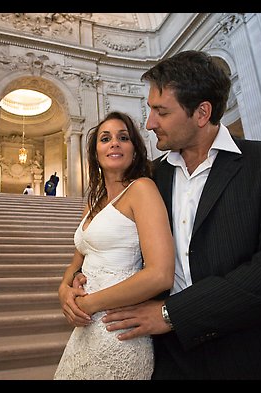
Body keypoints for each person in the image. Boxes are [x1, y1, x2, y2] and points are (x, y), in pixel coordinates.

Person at [65, 50, 261, 380]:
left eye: (161, 111)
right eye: (150, 110)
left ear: (202, 112)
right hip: (171, 358)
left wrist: (172, 313)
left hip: (257, 354)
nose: (149, 123)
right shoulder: (149, 180)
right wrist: (72, 282)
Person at [53, 111, 175, 380]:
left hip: (117, 324)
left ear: (135, 149)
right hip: (85, 325)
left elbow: (159, 275)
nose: (114, 143)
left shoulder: (142, 189)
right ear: (96, 152)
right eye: (105, 138)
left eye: (123, 137)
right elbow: (76, 264)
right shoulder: (92, 203)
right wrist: (64, 291)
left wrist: (89, 303)